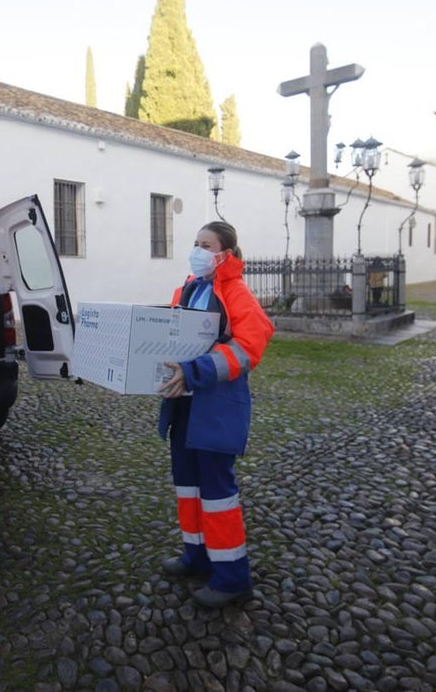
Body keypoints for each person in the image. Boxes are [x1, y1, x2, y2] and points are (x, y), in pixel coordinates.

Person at [157, 221, 275, 609]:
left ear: (224, 253)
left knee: (217, 494)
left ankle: (231, 578)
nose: (198, 250)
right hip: (185, 404)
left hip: (216, 406)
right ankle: (197, 556)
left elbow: (249, 346)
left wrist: (198, 370)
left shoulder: (235, 292)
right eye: (195, 243)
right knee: (188, 487)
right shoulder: (191, 287)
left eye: (205, 244)